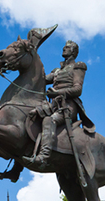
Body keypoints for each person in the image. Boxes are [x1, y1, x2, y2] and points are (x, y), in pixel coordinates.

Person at [22, 40, 94, 168]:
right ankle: (17, 166)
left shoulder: (78, 66)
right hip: (53, 105)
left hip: (67, 107)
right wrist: (27, 62)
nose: (64, 49)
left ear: (73, 51)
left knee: (49, 121)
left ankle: (44, 156)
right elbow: (40, 79)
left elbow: (78, 90)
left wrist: (57, 93)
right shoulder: (57, 71)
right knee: (29, 117)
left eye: (67, 47)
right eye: (64, 47)